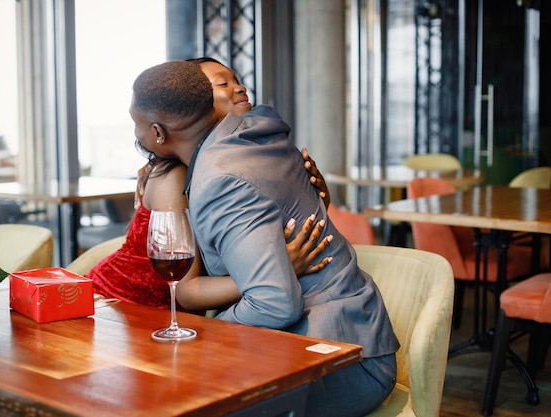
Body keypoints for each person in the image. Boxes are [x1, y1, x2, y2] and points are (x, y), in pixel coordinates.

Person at [129, 60, 399, 417]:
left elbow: (274, 302)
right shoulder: (256, 129)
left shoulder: (218, 181)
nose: (135, 133)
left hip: (340, 360)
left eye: (137, 124)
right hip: (354, 332)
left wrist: (203, 338)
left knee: (169, 400)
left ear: (159, 133)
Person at [87, 57, 331, 310]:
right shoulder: (181, 176)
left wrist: (316, 197)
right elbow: (187, 288)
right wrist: (274, 274)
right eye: (220, 84)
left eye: (236, 80)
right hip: (120, 306)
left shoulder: (245, 159)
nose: (239, 88)